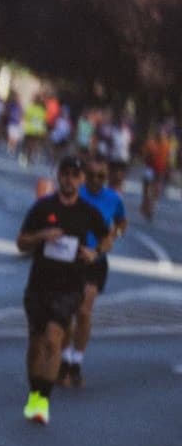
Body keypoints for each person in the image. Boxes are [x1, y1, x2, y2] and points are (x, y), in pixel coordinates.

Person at [17, 156, 109, 424]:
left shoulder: (87, 212)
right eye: (65, 174)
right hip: (39, 284)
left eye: (74, 175)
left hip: (69, 286)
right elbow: (21, 242)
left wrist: (95, 252)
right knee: (36, 343)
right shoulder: (43, 207)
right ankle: (34, 392)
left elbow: (106, 236)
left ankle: (43, 400)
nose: (69, 179)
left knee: (54, 337)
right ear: (59, 176)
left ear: (80, 180)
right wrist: (41, 236)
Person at [61, 154, 126, 387]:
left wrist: (112, 236)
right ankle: (64, 358)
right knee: (66, 312)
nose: (96, 180)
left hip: (95, 259)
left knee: (84, 311)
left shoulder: (113, 199)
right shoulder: (76, 193)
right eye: (91, 175)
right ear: (84, 175)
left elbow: (121, 223)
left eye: (102, 176)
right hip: (70, 258)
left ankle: (76, 361)